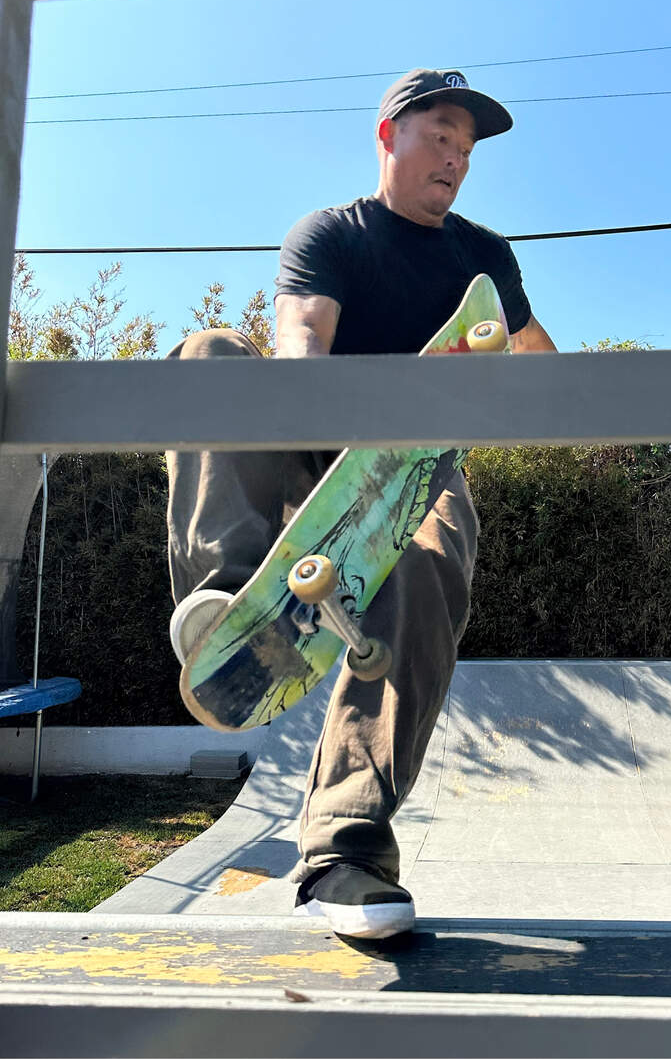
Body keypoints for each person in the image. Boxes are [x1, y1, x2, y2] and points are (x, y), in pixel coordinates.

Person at [166, 68, 557, 940]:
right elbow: (302, 338)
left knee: (428, 555)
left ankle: (345, 847)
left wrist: (542, 378)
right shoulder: (331, 232)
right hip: (318, 436)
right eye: (439, 137)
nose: (454, 159)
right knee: (212, 351)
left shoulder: (484, 258)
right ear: (389, 137)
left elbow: (540, 357)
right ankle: (226, 596)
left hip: (418, 469)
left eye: (466, 148)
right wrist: (348, 401)